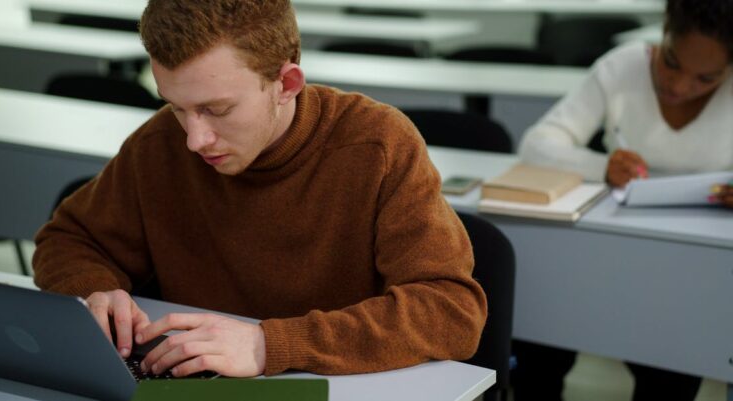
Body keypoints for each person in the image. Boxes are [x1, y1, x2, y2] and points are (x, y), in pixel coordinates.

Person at [32, 0, 487, 379]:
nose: (194, 139)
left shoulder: (378, 145)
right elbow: (67, 239)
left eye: (217, 109)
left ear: (286, 85)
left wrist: (270, 345)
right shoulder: (160, 144)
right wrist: (95, 291)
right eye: (175, 107)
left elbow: (449, 310)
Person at [515, 0, 733, 399]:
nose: (680, 87)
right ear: (664, 32)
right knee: (540, 350)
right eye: (671, 62)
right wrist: (602, 166)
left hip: (692, 271)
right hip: (609, 254)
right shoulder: (623, 67)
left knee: (669, 376)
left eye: (706, 79)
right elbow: (536, 145)